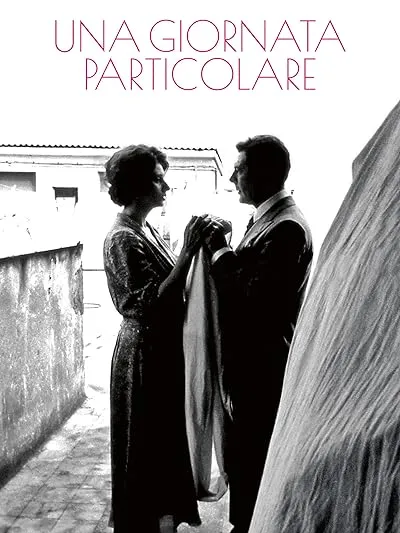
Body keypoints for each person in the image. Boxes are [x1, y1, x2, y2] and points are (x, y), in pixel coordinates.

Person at [203, 135, 313, 533]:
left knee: (255, 459)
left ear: (264, 173)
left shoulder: (287, 227)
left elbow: (252, 300)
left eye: (240, 169)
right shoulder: (268, 219)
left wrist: (219, 249)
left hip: (263, 369)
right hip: (250, 366)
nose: (232, 177)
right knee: (245, 459)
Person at [103, 144, 215, 533]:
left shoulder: (144, 229)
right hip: (141, 358)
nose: (165, 186)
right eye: (156, 179)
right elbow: (149, 302)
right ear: (136, 185)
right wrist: (187, 251)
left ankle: (161, 522)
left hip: (157, 353)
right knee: (143, 447)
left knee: (162, 445)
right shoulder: (122, 238)